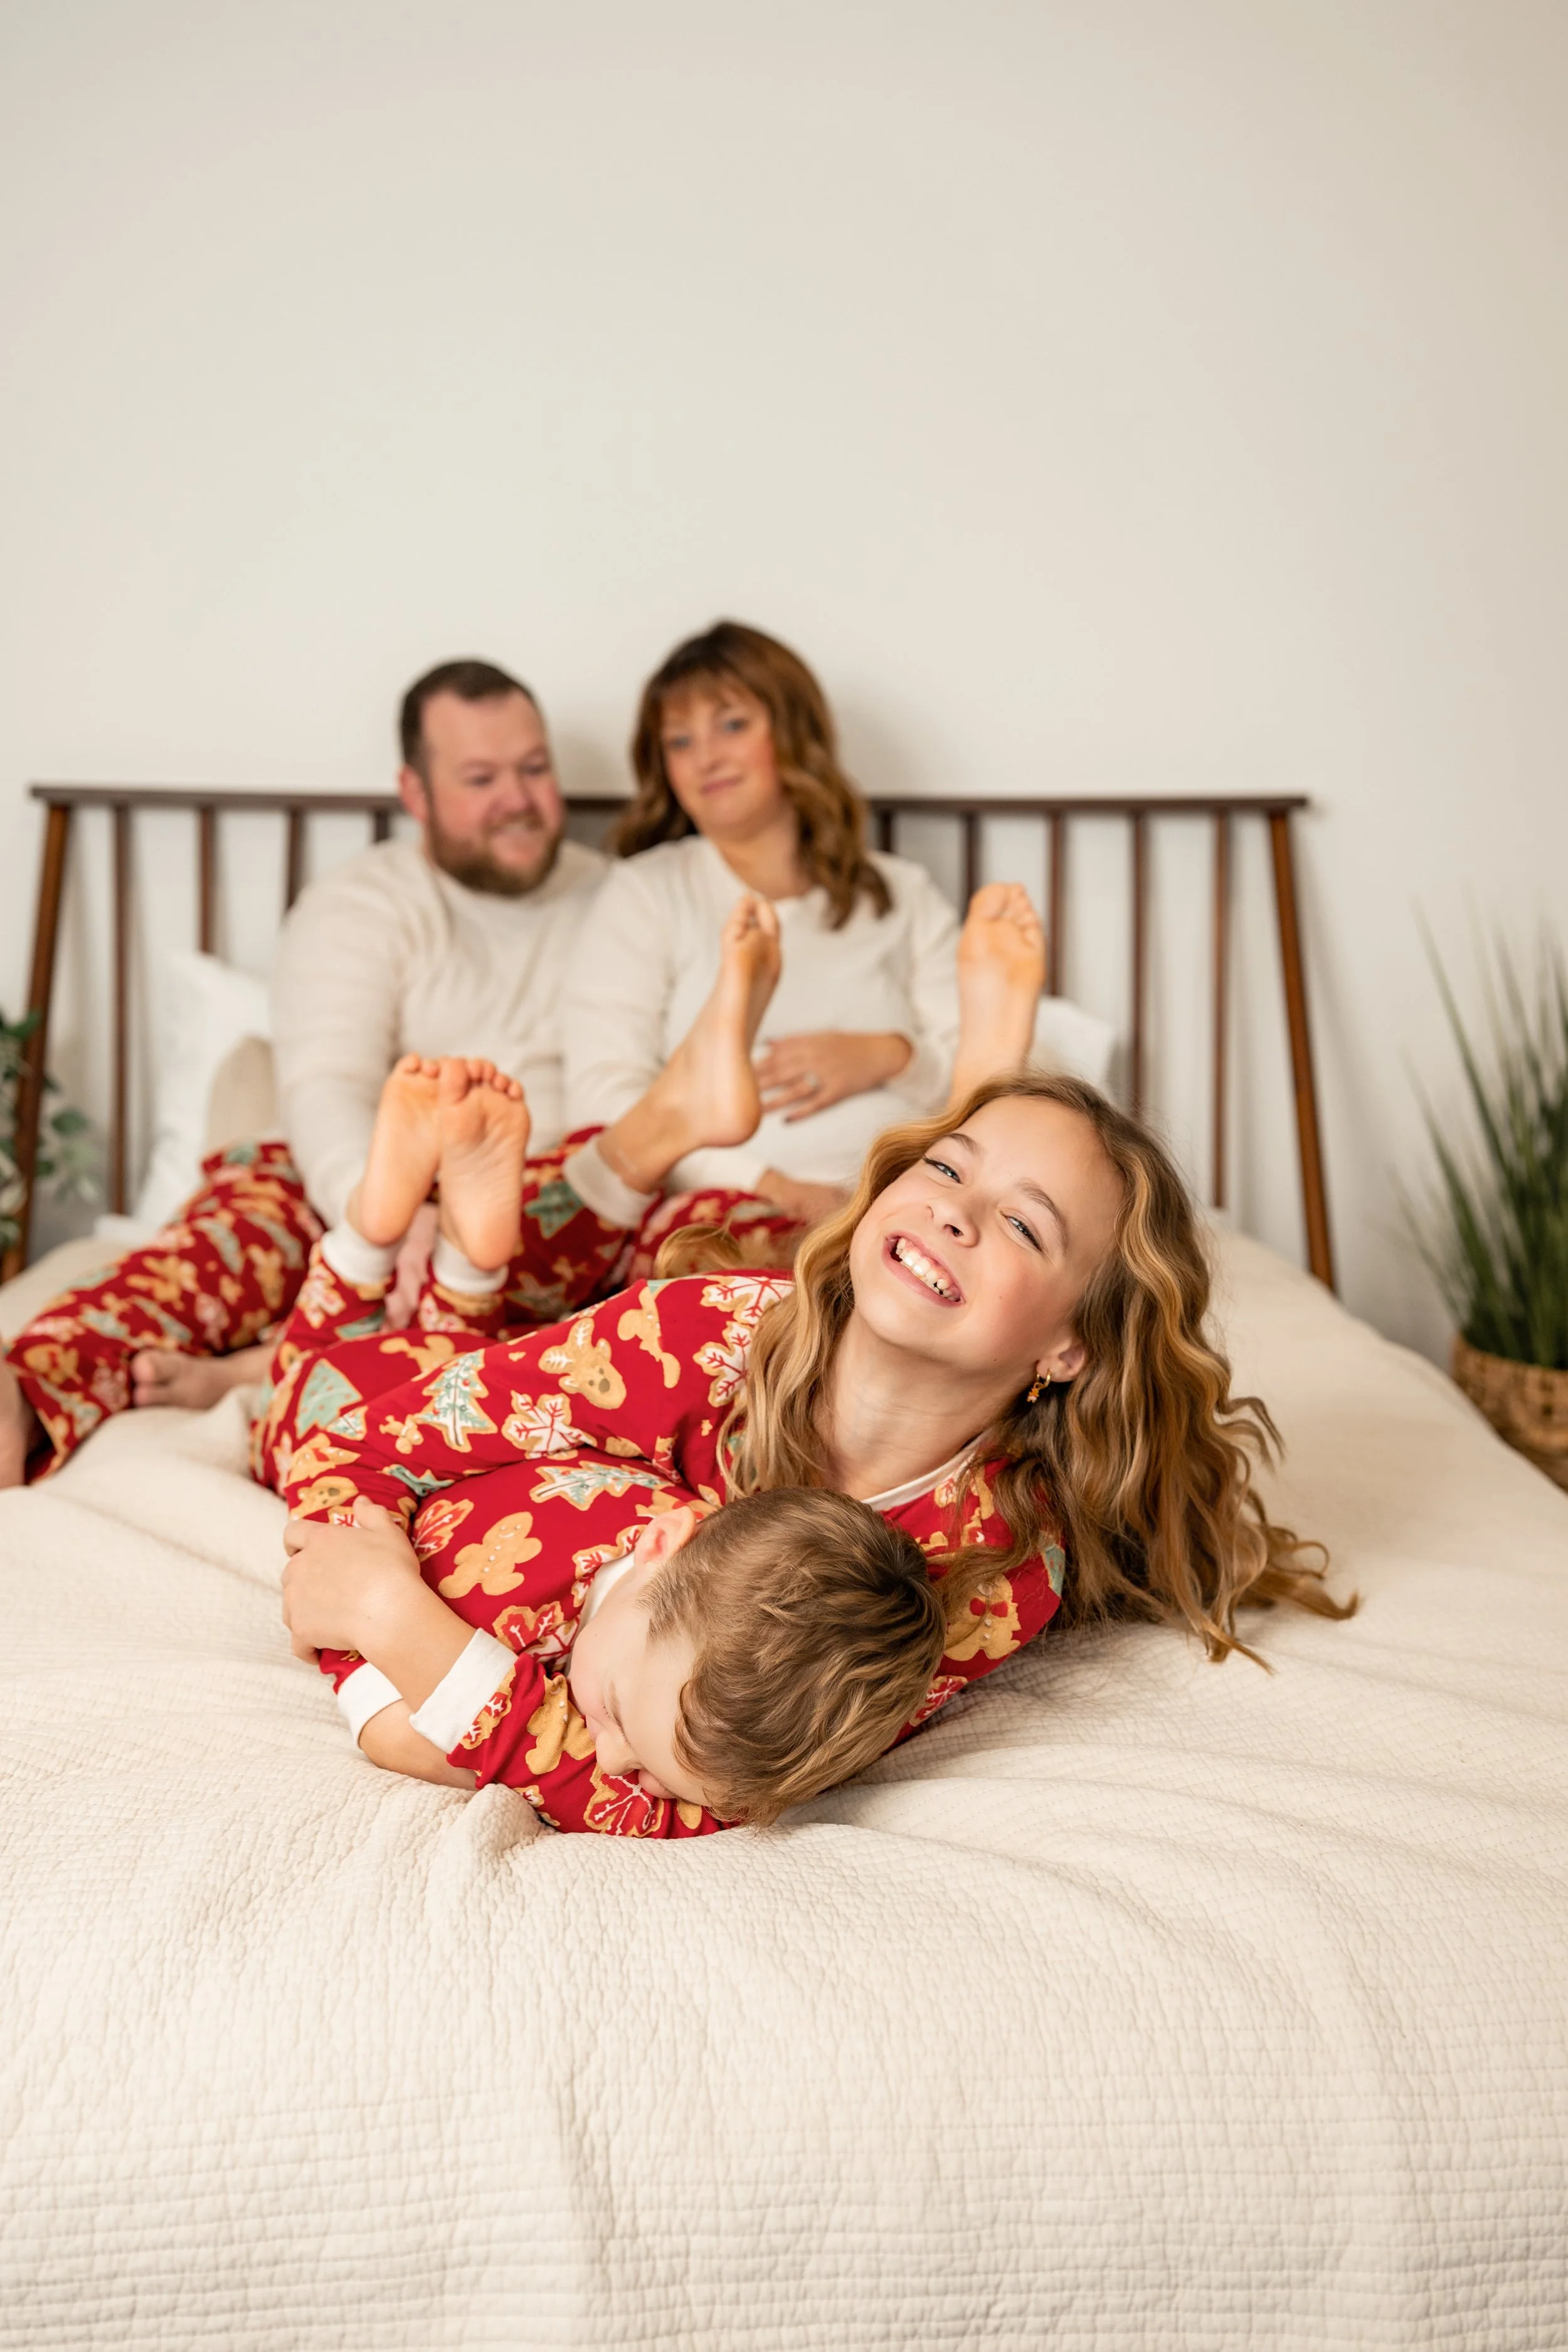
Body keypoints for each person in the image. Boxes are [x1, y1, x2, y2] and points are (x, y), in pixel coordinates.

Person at [273, 887, 1352, 1835]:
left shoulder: (997, 1559)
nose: (953, 1216)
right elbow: (344, 1461)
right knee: (301, 1407)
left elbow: (697, 1791)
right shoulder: (692, 1337)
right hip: (626, 1342)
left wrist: (398, 1639)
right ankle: (405, 1255)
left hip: (571, 1435)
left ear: (1072, 1346)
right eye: (944, 1166)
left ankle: (465, 1285)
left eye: (1024, 1227)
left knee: (419, 1376)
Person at [257, 1055, 950, 1835]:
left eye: (648, 1770)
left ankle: (465, 1278)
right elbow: (343, 1599)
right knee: (291, 1406)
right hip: (378, 1434)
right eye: (617, 1719)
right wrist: (386, 1678)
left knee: (441, 1368)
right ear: (662, 1540)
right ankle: (365, 1240)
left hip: (472, 1408)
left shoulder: (701, 1543)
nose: (612, 1764)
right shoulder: (513, 1617)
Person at [0, 656, 607, 1486]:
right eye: (480, 777)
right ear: (416, 791)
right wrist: (389, 1216)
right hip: (343, 1186)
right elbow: (326, 1087)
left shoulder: (617, 899)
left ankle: (267, 1365)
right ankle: (29, 1390)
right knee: (231, 1236)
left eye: (535, 768)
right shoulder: (358, 902)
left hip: (533, 1199)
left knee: (613, 1266)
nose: (519, 798)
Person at [563, 620, 965, 1229]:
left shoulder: (901, 896)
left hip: (904, 1210)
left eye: (731, 725)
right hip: (727, 1214)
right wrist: (766, 1187)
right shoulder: (648, 893)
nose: (706, 759)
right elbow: (601, 1098)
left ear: (793, 731)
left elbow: (981, 1079)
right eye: (678, 741)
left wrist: (889, 1056)